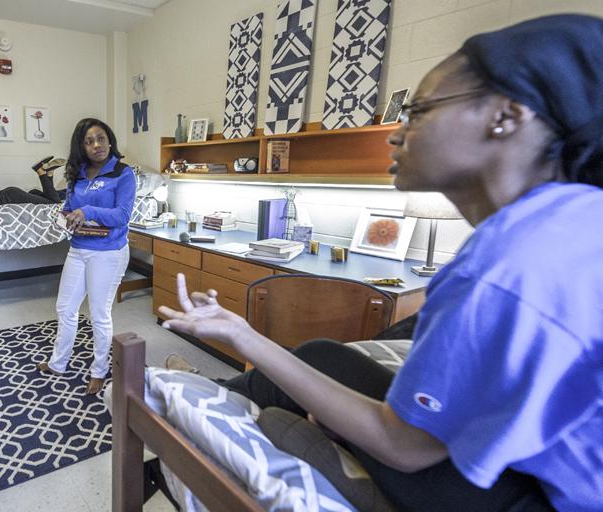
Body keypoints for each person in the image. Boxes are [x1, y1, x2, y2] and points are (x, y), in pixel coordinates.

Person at [158, 15, 602, 512]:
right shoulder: (573, 221)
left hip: (546, 497)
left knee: (310, 386)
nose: (396, 132)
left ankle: (252, 418)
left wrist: (244, 336)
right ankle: (226, 392)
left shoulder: (513, 262)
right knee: (325, 353)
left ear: (507, 115)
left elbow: (405, 449)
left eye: (418, 110)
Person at [37, 118, 136, 395]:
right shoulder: (76, 174)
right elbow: (68, 207)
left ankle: (100, 370)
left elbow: (122, 216)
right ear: (81, 147)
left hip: (108, 252)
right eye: (89, 141)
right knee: (64, 308)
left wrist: (88, 211)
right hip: (79, 249)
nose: (97, 145)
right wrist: (66, 217)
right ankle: (58, 363)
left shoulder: (122, 173)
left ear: (110, 140)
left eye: (101, 138)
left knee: (98, 313)